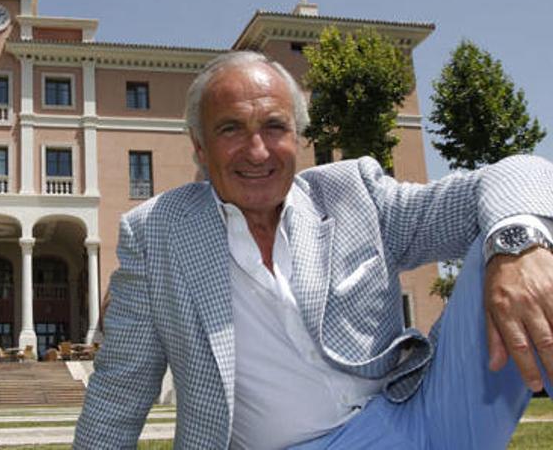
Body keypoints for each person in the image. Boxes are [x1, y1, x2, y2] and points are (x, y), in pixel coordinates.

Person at [73, 51, 553, 449]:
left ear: (299, 139)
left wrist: (519, 246)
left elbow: (518, 173)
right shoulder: (156, 235)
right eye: (231, 129)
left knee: (526, 225)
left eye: (275, 127)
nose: (257, 151)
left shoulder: (354, 194)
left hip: (423, 418)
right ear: (200, 146)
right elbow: (118, 396)